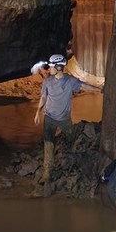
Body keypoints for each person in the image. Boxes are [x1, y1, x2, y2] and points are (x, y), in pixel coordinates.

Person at [34, 53, 93, 187]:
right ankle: (47, 174)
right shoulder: (47, 81)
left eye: (52, 66)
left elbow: (84, 86)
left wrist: (101, 89)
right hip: (48, 118)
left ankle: (72, 165)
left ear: (59, 67)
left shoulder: (69, 81)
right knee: (48, 145)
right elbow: (43, 97)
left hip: (64, 119)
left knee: (71, 140)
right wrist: (38, 112)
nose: (50, 69)